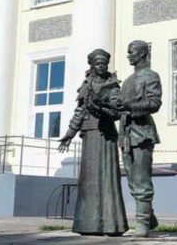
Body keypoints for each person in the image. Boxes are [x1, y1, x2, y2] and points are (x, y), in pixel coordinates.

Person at [58, 49, 128, 236]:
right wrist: (70, 133)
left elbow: (116, 111)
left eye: (104, 63)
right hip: (89, 134)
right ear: (92, 65)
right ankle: (87, 224)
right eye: (98, 63)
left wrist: (100, 108)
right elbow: (80, 111)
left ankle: (111, 224)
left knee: (107, 178)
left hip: (106, 135)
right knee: (89, 179)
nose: (101, 66)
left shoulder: (113, 85)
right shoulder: (86, 85)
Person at [116, 40, 162, 238]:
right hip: (125, 133)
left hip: (142, 133)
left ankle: (142, 223)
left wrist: (130, 107)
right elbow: (120, 106)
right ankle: (149, 217)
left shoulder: (150, 76)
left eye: (131, 52)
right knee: (132, 180)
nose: (128, 55)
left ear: (142, 54)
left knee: (142, 179)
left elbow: (155, 103)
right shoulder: (127, 81)